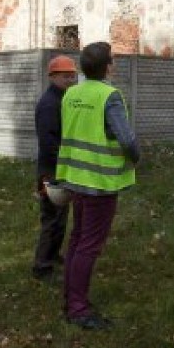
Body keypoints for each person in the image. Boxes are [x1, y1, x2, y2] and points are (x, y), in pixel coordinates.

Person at [56, 42, 140, 330]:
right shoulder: (109, 96)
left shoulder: (71, 94)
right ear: (107, 66)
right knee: (88, 245)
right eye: (113, 61)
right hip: (100, 182)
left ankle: (70, 297)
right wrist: (137, 157)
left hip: (75, 177)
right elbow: (127, 140)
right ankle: (78, 309)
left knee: (78, 239)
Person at [32, 55, 79, 281]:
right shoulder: (49, 104)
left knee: (60, 217)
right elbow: (48, 143)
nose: (70, 79)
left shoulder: (64, 98)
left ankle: (52, 255)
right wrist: (62, 168)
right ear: (52, 77)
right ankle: (42, 267)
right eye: (65, 76)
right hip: (51, 171)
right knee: (51, 219)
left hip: (61, 169)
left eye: (72, 75)